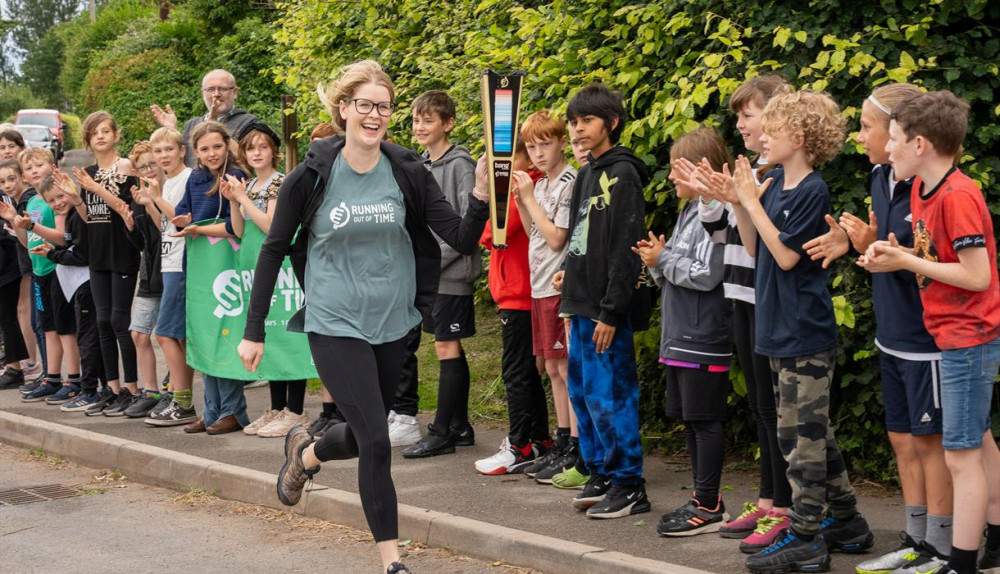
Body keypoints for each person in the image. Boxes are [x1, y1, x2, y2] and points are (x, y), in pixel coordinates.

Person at [238, 59, 490, 574]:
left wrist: (483, 194)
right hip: (333, 321)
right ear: (343, 109)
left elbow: (460, 239)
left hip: (393, 320)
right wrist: (253, 330)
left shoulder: (407, 171)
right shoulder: (310, 177)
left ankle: (305, 456)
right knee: (377, 440)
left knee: (359, 432)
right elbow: (273, 250)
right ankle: (391, 562)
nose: (375, 115)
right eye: (365, 105)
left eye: (384, 106)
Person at [803, 83, 956, 574]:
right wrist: (856, 242)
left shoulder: (930, 185)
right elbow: (886, 248)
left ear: (902, 131)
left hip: (927, 339)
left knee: (933, 445)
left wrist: (891, 253)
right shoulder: (880, 177)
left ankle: (942, 546)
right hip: (890, 333)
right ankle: (914, 539)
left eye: (868, 127)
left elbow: (940, 263)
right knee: (903, 441)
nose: (861, 137)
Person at [723, 90, 873, 573]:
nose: (762, 136)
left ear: (801, 138)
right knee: (811, 432)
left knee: (801, 440)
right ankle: (847, 521)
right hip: (777, 328)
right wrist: (744, 204)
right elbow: (754, 246)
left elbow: (788, 256)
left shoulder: (813, 190)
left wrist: (753, 201)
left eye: (773, 127)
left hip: (804, 333)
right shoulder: (775, 186)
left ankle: (807, 535)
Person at [859, 90, 1000, 574]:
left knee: (960, 455)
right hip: (947, 337)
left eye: (894, 138)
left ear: (920, 143)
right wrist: (890, 253)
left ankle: (958, 562)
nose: (887, 146)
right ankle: (991, 541)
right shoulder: (920, 188)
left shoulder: (958, 195)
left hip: (967, 339)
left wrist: (906, 260)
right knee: (976, 441)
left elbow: (977, 276)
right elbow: (929, 258)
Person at [673, 75, 795, 552]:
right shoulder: (756, 166)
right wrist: (715, 198)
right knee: (763, 407)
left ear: (777, 114)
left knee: (778, 410)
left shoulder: (776, 171)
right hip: (742, 295)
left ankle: (784, 506)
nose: (740, 123)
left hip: (767, 299)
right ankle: (768, 500)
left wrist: (730, 198)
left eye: (748, 114)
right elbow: (728, 237)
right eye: (739, 115)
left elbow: (766, 242)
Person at [557, 83, 649, 519]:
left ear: (610, 123)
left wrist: (612, 310)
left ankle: (629, 481)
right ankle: (600, 471)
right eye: (573, 123)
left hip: (606, 310)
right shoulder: (587, 173)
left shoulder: (623, 173)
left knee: (611, 395)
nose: (577, 131)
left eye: (586, 122)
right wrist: (569, 270)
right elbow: (581, 234)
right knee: (583, 393)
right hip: (578, 301)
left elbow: (625, 246)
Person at [638, 128, 733, 536]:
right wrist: (657, 261)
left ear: (701, 170)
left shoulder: (717, 213)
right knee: (692, 421)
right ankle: (702, 497)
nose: (671, 179)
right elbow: (676, 276)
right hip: (679, 334)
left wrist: (665, 258)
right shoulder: (687, 211)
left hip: (704, 336)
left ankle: (710, 504)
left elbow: (708, 275)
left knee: (706, 420)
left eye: (678, 170)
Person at [397, 89, 480, 455]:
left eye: (428, 120)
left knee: (447, 346)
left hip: (451, 272)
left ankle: (442, 431)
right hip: (430, 274)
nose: (419, 126)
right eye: (416, 119)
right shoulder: (420, 165)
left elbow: (467, 227)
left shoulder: (461, 165)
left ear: (448, 124)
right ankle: (460, 426)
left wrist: (428, 263)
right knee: (445, 345)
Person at [470, 136, 553, 475]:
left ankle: (519, 444)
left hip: (521, 291)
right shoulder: (519, 189)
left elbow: (493, 232)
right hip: (516, 291)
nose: (498, 165)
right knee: (525, 372)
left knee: (516, 372)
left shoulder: (524, 189)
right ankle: (538, 440)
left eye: (506, 157)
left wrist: (494, 197)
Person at [505, 109, 579, 482]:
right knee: (550, 367)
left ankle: (576, 446)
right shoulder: (543, 184)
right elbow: (534, 230)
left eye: (545, 145)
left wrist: (530, 198)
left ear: (562, 142)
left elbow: (555, 238)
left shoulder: (567, 181)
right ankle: (562, 438)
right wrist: (521, 199)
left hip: (558, 286)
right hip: (539, 285)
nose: (537, 154)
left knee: (565, 367)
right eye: (531, 147)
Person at [225, 121, 310, 438]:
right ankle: (276, 408)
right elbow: (240, 230)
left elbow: (272, 225)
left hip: (282, 272)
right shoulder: (248, 186)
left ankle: (296, 410)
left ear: (273, 151)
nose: (257, 153)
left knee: (289, 338)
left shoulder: (280, 183)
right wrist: (235, 200)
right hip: (256, 272)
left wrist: (243, 200)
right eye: (250, 148)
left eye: (262, 147)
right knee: (268, 340)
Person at [168, 120, 250, 435]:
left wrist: (198, 228)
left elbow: (234, 226)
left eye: (217, 146)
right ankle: (211, 410)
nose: (212, 153)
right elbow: (184, 213)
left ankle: (233, 411)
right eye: (204, 149)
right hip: (200, 265)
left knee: (224, 335)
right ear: (196, 153)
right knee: (203, 336)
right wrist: (183, 219)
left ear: (226, 145)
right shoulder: (196, 177)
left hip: (225, 264)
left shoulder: (236, 176)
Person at [70, 111, 144, 416]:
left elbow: (124, 207)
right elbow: (90, 218)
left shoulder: (124, 166)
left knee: (119, 322)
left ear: (116, 135)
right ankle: (111, 389)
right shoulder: (87, 172)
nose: (100, 136)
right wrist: (74, 197)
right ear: (88, 140)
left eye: (105, 131)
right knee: (101, 323)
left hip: (122, 252)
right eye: (94, 133)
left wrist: (94, 187)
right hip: (98, 255)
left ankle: (132, 388)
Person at [33, 173, 108, 412]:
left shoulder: (78, 215)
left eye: (60, 195)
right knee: (89, 337)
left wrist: (51, 255)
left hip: (85, 282)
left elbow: (80, 254)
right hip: (77, 285)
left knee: (87, 338)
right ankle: (101, 389)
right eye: (51, 201)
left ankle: (89, 391)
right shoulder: (69, 218)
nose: (57, 203)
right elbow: (68, 245)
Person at [13, 148, 81, 405]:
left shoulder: (55, 198)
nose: (33, 171)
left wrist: (32, 226)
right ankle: (51, 378)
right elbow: (27, 242)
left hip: (56, 270)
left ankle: (73, 379)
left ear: (52, 167)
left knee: (65, 329)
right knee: (49, 327)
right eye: (28, 169)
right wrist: (17, 223)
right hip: (39, 271)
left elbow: (62, 237)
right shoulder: (32, 201)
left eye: (38, 165)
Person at [142, 127, 196, 426]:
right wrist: (152, 201)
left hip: (181, 263)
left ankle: (182, 401)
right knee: (179, 336)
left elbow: (181, 218)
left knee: (164, 334)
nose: (163, 156)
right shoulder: (167, 180)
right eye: (158, 151)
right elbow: (163, 224)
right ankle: (181, 399)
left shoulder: (187, 178)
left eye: (168, 150)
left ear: (181, 151)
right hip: (168, 261)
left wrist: (158, 198)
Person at [122, 141, 167, 418]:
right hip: (149, 272)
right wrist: (129, 225)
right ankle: (150, 392)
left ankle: (173, 388)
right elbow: (143, 242)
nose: (149, 170)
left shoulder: (168, 190)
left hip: (172, 272)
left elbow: (167, 228)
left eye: (152, 164)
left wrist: (151, 203)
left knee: (168, 336)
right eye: (142, 167)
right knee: (138, 333)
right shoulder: (138, 195)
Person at [150, 69, 258, 167]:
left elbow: (247, 160)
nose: (216, 94)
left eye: (222, 89)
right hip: (195, 186)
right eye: (211, 89)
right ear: (203, 93)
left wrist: (214, 127)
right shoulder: (191, 125)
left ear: (234, 92)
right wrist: (173, 129)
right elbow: (179, 165)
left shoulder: (249, 122)